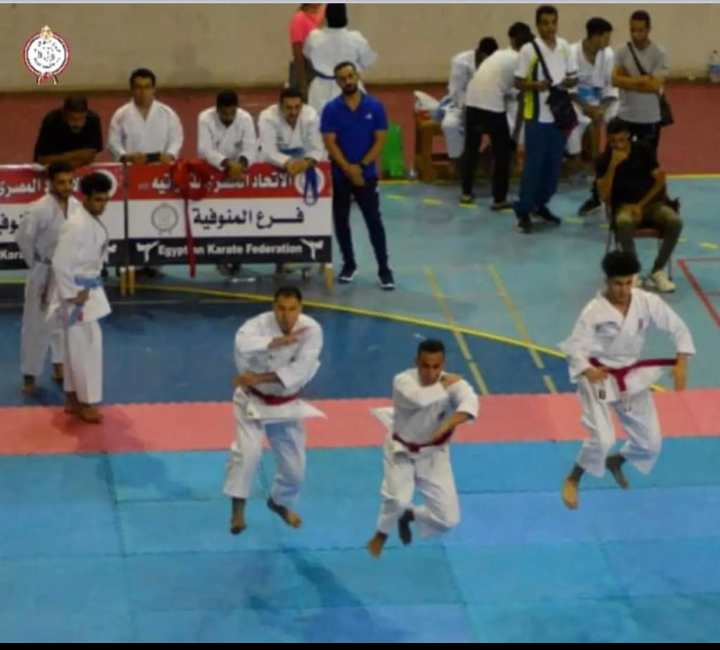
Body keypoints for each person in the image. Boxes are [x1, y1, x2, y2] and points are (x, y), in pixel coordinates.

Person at [559, 250, 694, 510]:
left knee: (650, 443)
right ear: (606, 282)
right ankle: (573, 478)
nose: (623, 290)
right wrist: (586, 370)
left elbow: (677, 327)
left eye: (628, 282)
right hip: (599, 378)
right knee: (603, 438)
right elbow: (574, 348)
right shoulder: (594, 311)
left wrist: (682, 362)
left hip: (630, 377)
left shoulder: (646, 302)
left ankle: (616, 461)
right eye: (617, 284)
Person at [223, 286, 325, 534]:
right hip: (252, 400)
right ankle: (237, 512)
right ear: (273, 307)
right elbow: (242, 343)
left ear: (300, 308)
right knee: (247, 455)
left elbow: (299, 371)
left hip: (286, 403)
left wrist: (257, 377)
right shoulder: (257, 325)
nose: (286, 315)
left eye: (292, 309)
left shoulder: (311, 330)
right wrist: (275, 341)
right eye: (281, 308)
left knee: (295, 469)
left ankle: (280, 502)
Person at [366, 339, 479, 558]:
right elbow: (420, 399)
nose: (431, 372)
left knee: (448, 520)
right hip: (401, 450)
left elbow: (470, 401)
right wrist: (444, 385)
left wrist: (450, 422)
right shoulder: (403, 381)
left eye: (436, 367)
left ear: (443, 364)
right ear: (416, 362)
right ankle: (381, 534)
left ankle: (410, 515)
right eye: (425, 366)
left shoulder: (453, 383)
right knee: (398, 499)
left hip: (434, 455)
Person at [321, 62, 394, 290]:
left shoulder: (375, 106)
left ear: (358, 76)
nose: (348, 81)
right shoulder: (331, 109)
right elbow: (330, 143)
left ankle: (384, 269)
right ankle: (349, 264)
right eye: (343, 78)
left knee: (374, 221)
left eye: (350, 76)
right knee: (341, 221)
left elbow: (380, 140)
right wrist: (348, 169)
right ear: (337, 82)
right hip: (340, 176)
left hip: (367, 175)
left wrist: (361, 166)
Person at [50, 172, 114, 424]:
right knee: (86, 349)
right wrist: (72, 293)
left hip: (87, 291)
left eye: (105, 200)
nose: (102, 205)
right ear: (86, 197)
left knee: (74, 349)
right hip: (78, 294)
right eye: (98, 200)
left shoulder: (89, 221)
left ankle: (72, 399)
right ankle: (85, 402)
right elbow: (59, 263)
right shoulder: (76, 225)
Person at [595, 118, 681, 292]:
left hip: (651, 205)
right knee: (623, 222)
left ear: (628, 135)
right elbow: (603, 194)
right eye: (613, 141)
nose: (618, 145)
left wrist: (640, 206)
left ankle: (657, 272)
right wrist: (613, 165)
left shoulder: (643, 150)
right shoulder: (604, 160)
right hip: (624, 207)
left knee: (675, 222)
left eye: (621, 140)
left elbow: (660, 180)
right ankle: (633, 272)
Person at [15, 162, 79, 396]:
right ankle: (29, 374)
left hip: (67, 272)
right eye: (61, 182)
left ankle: (59, 364)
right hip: (43, 270)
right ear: (50, 182)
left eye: (70, 182)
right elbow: (23, 239)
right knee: (35, 322)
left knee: (65, 320)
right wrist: (37, 263)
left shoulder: (76, 207)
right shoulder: (39, 209)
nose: (67, 186)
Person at [513, 5, 578, 234]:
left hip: (559, 117)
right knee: (533, 168)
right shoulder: (528, 50)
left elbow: (573, 76)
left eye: (553, 22)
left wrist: (569, 82)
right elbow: (518, 82)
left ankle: (540, 205)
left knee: (552, 168)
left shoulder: (565, 47)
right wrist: (536, 85)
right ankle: (523, 211)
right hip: (537, 117)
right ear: (538, 25)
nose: (550, 27)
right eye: (545, 23)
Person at [461, 22, 534, 208]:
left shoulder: (499, 54)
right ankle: (499, 198)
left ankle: (466, 192)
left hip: (471, 102)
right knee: (502, 153)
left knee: (471, 149)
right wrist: (515, 136)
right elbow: (521, 93)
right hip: (491, 105)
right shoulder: (521, 61)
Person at [198, 90, 258, 277]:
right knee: (217, 220)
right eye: (224, 113)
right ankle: (220, 258)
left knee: (241, 217)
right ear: (217, 110)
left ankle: (238, 258)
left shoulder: (245, 119)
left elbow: (251, 147)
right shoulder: (205, 118)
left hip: (239, 174)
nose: (229, 117)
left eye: (232, 113)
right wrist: (226, 164)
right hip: (215, 172)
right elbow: (204, 150)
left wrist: (240, 164)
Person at [567, 18, 618, 195]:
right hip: (576, 99)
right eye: (606, 37)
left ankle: (608, 161)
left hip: (601, 98)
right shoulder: (572, 52)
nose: (608, 41)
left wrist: (601, 109)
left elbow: (610, 86)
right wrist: (585, 107)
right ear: (595, 36)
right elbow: (569, 88)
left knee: (615, 118)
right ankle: (574, 162)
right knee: (573, 121)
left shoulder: (608, 54)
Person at [612, 10, 668, 157]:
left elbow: (654, 85)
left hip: (649, 117)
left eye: (640, 30)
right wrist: (644, 80)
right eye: (632, 30)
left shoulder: (659, 53)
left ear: (648, 29)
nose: (636, 34)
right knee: (622, 159)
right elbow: (615, 80)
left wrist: (627, 81)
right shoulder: (621, 52)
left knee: (647, 160)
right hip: (625, 115)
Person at [303, 3, 377, 114]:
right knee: (354, 120)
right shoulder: (356, 38)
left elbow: (307, 54)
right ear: (345, 17)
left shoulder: (314, 37)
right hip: (350, 86)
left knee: (319, 121)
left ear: (326, 17)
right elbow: (369, 60)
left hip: (320, 89)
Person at [108, 68, 184, 166]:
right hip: (132, 167)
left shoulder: (168, 114)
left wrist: (170, 155)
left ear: (153, 89)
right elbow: (113, 143)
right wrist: (127, 157)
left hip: (161, 166)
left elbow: (176, 139)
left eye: (147, 87)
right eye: (138, 88)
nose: (143, 92)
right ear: (132, 89)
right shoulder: (121, 115)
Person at [441, 37, 499, 164]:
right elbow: (455, 92)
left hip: (489, 106)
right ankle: (457, 159)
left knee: (509, 125)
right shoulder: (460, 61)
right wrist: (471, 106)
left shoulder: (496, 63)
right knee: (449, 125)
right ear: (482, 54)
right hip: (461, 105)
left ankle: (496, 158)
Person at [259, 86, 326, 176]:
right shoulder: (268, 117)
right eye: (289, 108)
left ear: (302, 105)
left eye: (297, 107)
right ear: (280, 106)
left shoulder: (311, 115)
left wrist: (305, 163)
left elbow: (317, 148)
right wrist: (288, 162)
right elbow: (268, 150)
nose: (293, 112)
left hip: (303, 158)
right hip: (275, 161)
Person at [33, 95, 103, 169]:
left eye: (82, 119)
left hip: (62, 167)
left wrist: (60, 161)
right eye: (73, 119)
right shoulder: (51, 121)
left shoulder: (93, 120)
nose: (78, 124)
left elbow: (90, 157)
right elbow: (42, 160)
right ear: (64, 116)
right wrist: (78, 155)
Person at [289, 3, 326, 100]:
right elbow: (297, 51)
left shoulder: (324, 12)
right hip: (306, 67)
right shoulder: (299, 18)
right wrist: (303, 83)